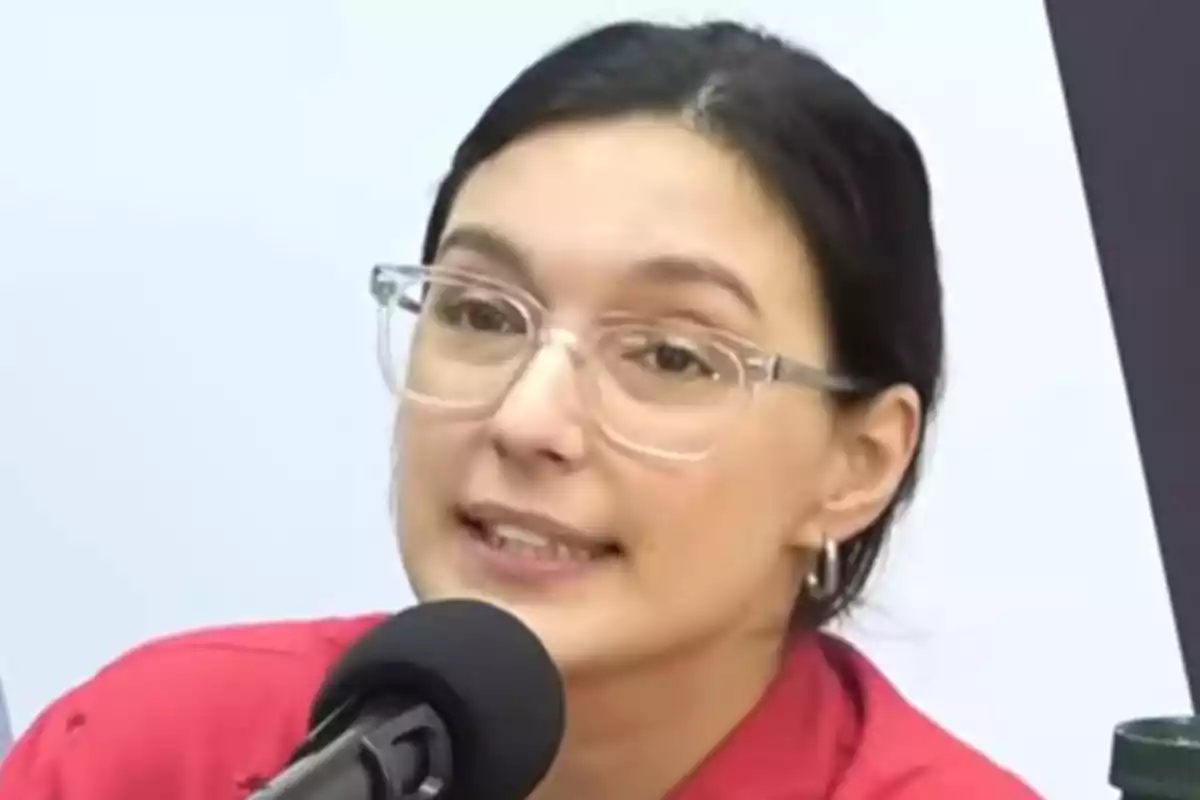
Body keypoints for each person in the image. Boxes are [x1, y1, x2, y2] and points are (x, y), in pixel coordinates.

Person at [0, 19, 1042, 800]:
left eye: (671, 353)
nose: (525, 418)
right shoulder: (153, 753)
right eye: (480, 312)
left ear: (857, 464)